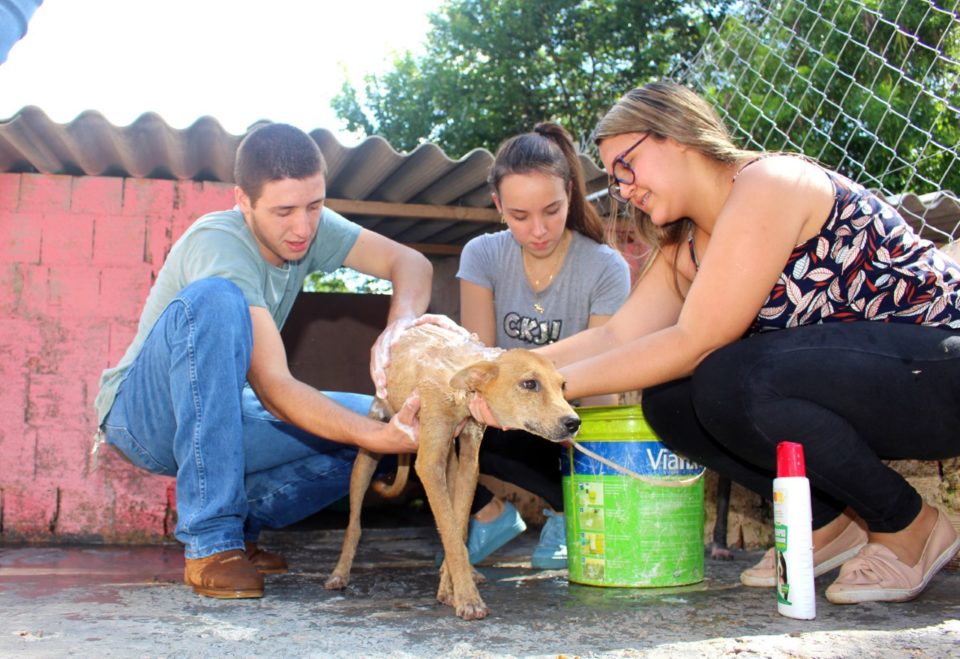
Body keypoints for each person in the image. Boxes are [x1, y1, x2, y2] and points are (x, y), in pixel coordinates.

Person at [497, 80, 960, 605]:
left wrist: (536, 392)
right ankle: (831, 519)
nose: (622, 189)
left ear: (676, 136)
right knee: (671, 403)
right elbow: (616, 335)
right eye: (613, 178)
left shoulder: (769, 182)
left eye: (626, 167)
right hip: (872, 387)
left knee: (727, 377)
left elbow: (697, 341)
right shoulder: (686, 243)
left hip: (940, 364)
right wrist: (499, 369)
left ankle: (908, 524)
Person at [93, 123, 433, 600]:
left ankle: (242, 525)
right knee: (216, 298)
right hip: (144, 417)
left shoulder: (309, 226)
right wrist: (377, 436)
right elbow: (275, 387)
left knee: (370, 422)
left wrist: (400, 328)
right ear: (243, 200)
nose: (303, 227)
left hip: (223, 413)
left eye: (315, 206)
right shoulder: (219, 242)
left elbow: (412, 263)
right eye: (284, 211)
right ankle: (212, 541)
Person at [455, 122, 630, 568]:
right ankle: (489, 515)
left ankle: (567, 511)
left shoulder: (605, 268)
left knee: (581, 431)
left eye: (551, 210)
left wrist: (594, 465)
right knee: (422, 424)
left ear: (571, 193)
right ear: (498, 206)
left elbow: (601, 384)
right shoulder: (482, 255)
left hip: (568, 424)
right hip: (505, 418)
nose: (538, 230)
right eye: (520, 216)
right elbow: (482, 361)